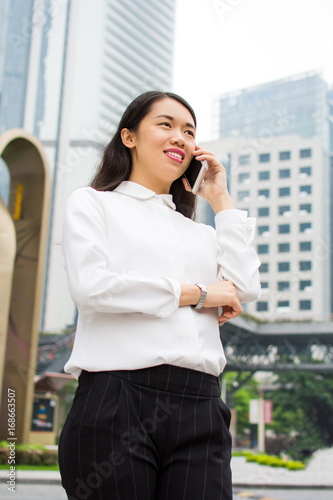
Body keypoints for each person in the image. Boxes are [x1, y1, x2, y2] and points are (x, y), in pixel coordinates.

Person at [58, 90, 261, 500]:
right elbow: (94, 286)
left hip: (202, 406)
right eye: (165, 125)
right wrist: (199, 294)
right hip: (117, 401)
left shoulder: (202, 233)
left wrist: (220, 200)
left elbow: (245, 289)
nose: (180, 138)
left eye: (189, 131)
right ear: (129, 137)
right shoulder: (93, 204)